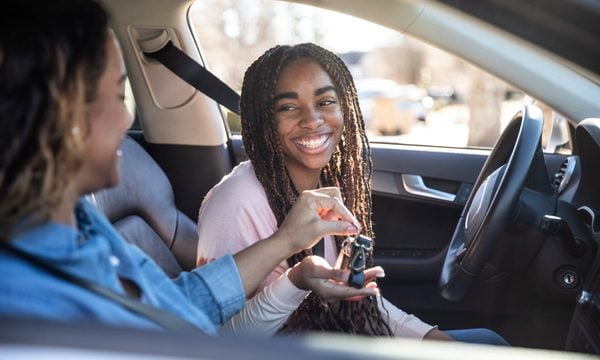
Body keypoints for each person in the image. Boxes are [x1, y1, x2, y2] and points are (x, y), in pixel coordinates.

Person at [0, 0, 380, 334]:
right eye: (119, 94)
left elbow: (177, 304)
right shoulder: (23, 303)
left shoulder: (82, 220)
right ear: (62, 116)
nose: (127, 116)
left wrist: (289, 250)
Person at [197, 43, 508, 345]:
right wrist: (294, 283)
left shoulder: (324, 188)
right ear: (264, 118)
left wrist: (430, 338)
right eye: (288, 107)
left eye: (326, 102)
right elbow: (220, 344)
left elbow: (356, 303)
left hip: (338, 340)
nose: (312, 120)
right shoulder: (235, 203)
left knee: (487, 342)